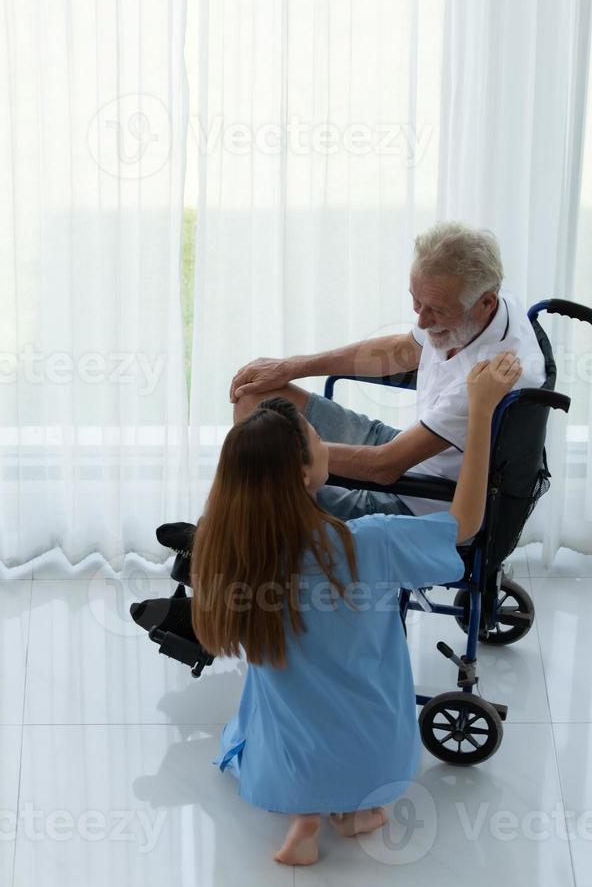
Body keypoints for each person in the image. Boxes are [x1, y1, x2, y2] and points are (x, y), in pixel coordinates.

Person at [192, 350, 523, 866]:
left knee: (267, 706)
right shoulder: (367, 543)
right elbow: (466, 523)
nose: (327, 443)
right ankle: (358, 811)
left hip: (284, 766)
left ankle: (304, 820)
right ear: (306, 475)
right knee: (362, 746)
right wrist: (480, 413)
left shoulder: (229, 547)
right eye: (318, 439)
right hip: (375, 762)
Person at [228, 222, 544, 519]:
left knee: (262, 486)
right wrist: (292, 367)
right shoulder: (487, 306)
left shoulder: (487, 376)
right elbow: (405, 350)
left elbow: (384, 468)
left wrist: (286, 453)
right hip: (412, 446)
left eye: (435, 310)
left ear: (485, 302)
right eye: (416, 302)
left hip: (415, 498)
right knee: (255, 398)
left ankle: (236, 555)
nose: (421, 321)